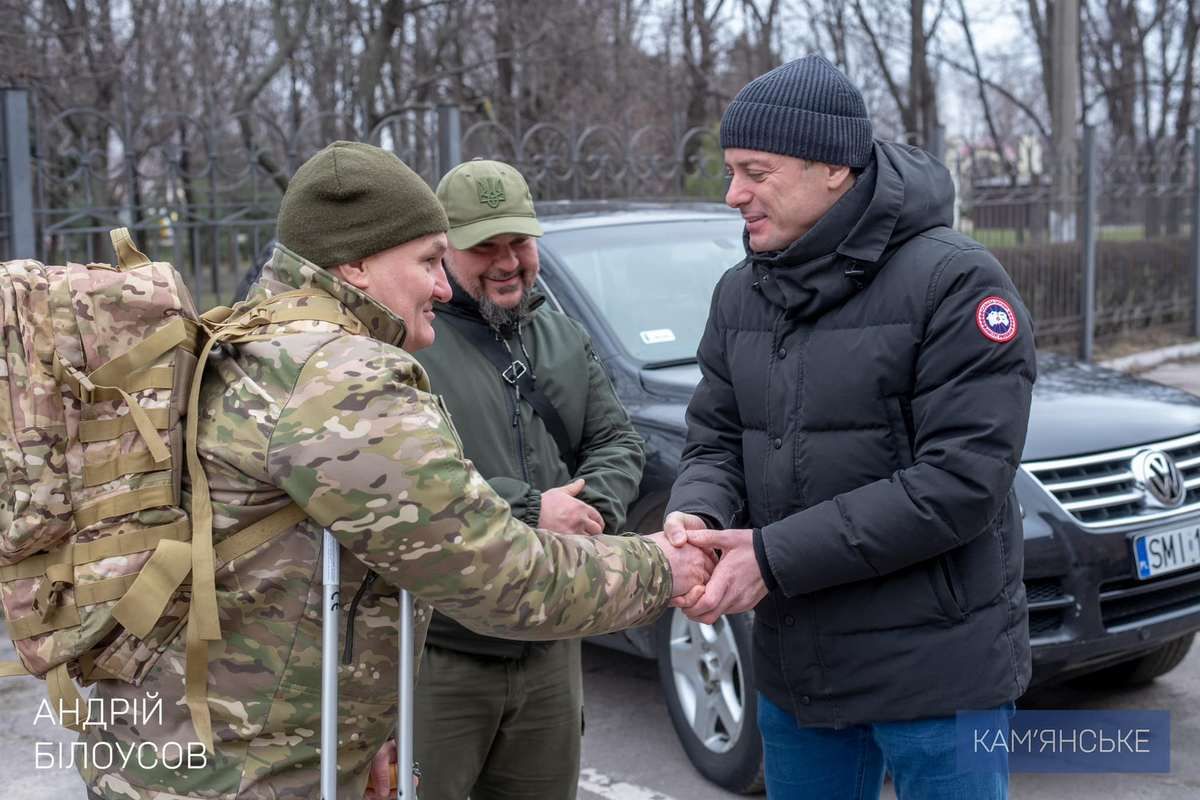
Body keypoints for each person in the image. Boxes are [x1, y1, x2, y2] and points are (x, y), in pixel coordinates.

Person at [79, 141, 712, 800]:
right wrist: (664, 567)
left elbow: (292, 584)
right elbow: (498, 573)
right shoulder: (336, 379)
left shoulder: (252, 338)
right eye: (429, 261)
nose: (442, 286)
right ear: (355, 263)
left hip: (181, 753)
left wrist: (366, 733)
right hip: (245, 776)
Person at [662, 56, 1037, 799]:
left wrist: (770, 558)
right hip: (802, 674)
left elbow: (961, 484)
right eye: (732, 170)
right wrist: (697, 514)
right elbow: (716, 436)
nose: (733, 193)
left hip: (938, 676)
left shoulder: (955, 280)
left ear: (834, 168)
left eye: (755, 171)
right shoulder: (742, 293)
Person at [410, 159, 643, 799]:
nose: (507, 261)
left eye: (519, 241)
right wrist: (530, 509)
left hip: (549, 646)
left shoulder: (560, 334)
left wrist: (587, 513)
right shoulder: (410, 345)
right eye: (485, 245)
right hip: (444, 655)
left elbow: (617, 439)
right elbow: (411, 484)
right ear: (444, 250)